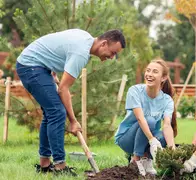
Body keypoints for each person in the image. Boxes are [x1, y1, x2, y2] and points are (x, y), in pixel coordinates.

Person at [16, 29, 125, 175]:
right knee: (57, 112)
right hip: (31, 66)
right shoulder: (81, 53)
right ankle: (60, 167)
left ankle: (44, 165)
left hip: (39, 66)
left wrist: (52, 70)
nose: (112, 57)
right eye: (112, 53)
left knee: (51, 114)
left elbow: (58, 46)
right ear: (104, 43)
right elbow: (63, 89)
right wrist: (73, 121)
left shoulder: (86, 37)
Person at [114, 59, 177, 176]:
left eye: (154, 72)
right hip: (127, 139)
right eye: (148, 71)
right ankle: (136, 160)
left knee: (164, 137)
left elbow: (167, 125)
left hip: (146, 138)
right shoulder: (135, 91)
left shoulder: (167, 100)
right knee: (150, 121)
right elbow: (140, 119)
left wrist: (172, 151)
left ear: (163, 78)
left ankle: (146, 160)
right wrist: (152, 140)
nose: (149, 74)